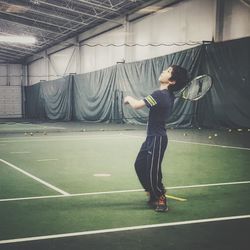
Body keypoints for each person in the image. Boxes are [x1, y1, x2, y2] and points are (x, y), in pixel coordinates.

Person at [124, 65, 188, 212]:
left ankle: (160, 197)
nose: (163, 71)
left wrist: (128, 98)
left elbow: (137, 105)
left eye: (168, 71)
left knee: (153, 170)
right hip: (151, 139)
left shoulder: (160, 95)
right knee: (139, 165)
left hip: (158, 139)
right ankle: (152, 191)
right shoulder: (164, 95)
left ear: (172, 81)